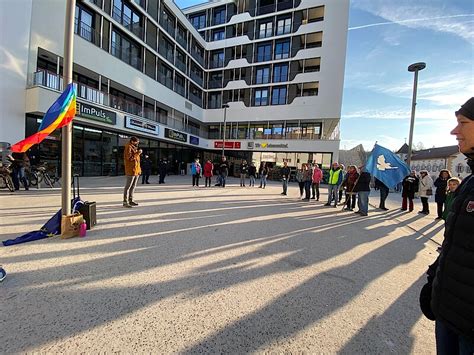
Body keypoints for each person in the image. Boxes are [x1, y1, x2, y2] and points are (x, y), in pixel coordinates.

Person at [423, 97, 474, 354]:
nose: (455, 131)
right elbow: (457, 243)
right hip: (449, 312)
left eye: (463, 123)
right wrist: (436, 279)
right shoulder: (470, 183)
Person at [123, 136, 142, 208]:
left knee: (133, 186)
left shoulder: (133, 147)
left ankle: (130, 200)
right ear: (132, 141)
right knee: (128, 186)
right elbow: (129, 158)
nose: (137, 143)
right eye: (136, 142)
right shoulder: (128, 147)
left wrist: (139, 170)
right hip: (131, 170)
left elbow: (137, 161)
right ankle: (125, 201)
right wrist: (138, 153)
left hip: (136, 171)